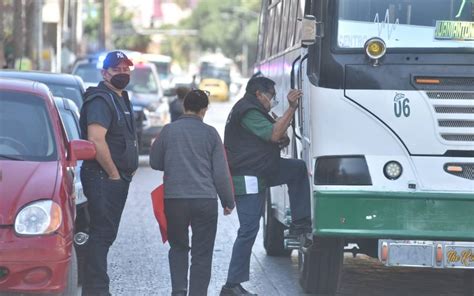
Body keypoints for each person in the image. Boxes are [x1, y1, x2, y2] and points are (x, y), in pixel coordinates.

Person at [220, 77, 312, 296]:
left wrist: (281, 136)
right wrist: (291, 109)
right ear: (259, 94)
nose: (273, 100)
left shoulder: (253, 110)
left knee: (297, 169)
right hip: (249, 176)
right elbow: (274, 133)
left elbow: (277, 136)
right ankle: (231, 285)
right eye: (271, 95)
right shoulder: (248, 111)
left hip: (262, 170)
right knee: (248, 230)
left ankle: (300, 223)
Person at [149, 89, 236, 296]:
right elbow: (221, 173)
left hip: (175, 200)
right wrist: (228, 201)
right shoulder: (211, 134)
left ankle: (179, 291)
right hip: (205, 200)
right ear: (204, 110)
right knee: (202, 253)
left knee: (178, 247)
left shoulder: (169, 131)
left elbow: (154, 162)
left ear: (183, 106)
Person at [79, 50, 139, 296]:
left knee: (106, 234)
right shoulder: (101, 100)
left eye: (126, 69)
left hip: (115, 178)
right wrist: (114, 174)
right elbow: (96, 140)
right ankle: (96, 290)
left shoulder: (120, 97)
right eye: (117, 70)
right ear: (105, 73)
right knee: (101, 235)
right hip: (103, 178)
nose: (123, 73)